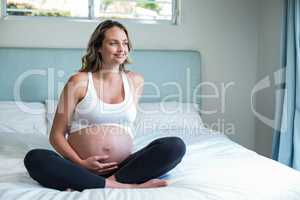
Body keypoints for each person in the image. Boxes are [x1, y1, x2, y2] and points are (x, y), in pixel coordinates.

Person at [23, 20, 186, 191]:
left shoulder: (135, 81)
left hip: (122, 168)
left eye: (125, 43)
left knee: (174, 146)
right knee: (35, 158)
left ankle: (103, 182)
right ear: (98, 47)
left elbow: (127, 124)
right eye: (113, 43)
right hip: (80, 167)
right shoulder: (79, 81)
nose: (122, 49)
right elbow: (56, 135)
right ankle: (125, 187)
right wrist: (81, 163)